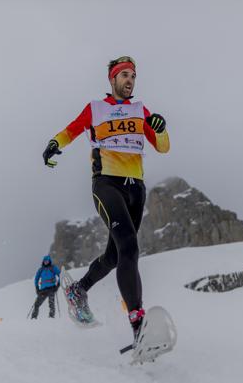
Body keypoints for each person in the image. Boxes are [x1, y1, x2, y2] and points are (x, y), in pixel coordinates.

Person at [42, 56, 170, 343]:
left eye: (133, 76)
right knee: (130, 247)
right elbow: (72, 129)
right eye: (124, 75)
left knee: (116, 255)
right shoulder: (96, 109)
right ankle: (138, 323)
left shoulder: (140, 110)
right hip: (106, 183)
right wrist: (53, 144)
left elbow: (162, 147)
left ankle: (80, 289)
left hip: (136, 188)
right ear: (112, 80)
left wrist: (160, 129)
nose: (129, 80)